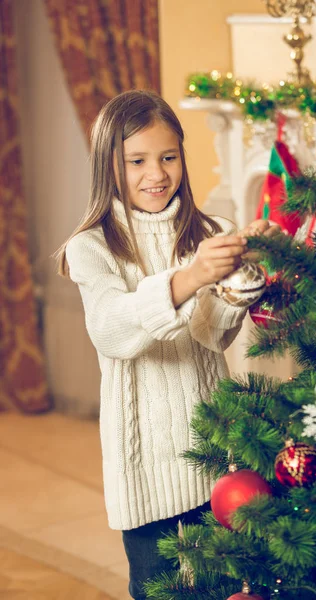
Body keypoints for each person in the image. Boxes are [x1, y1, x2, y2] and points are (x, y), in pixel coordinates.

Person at [57, 89, 278, 599]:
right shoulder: (91, 247)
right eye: (137, 161)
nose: (156, 174)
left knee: (227, 585)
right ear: (107, 165)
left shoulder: (210, 230)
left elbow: (212, 334)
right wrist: (192, 274)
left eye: (168, 157)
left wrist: (242, 275)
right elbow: (113, 331)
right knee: (160, 591)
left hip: (214, 456)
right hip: (146, 469)